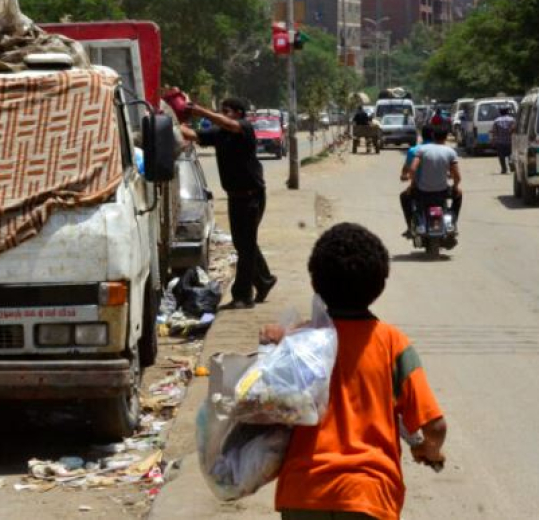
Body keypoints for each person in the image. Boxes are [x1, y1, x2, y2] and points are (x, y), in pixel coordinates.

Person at [260, 223, 447, 520]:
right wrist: (430, 451)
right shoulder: (393, 345)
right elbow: (434, 427)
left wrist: (278, 339)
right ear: (379, 284)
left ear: (316, 283)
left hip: (303, 494)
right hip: (369, 495)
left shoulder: (298, 341)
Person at [180, 98, 277, 309]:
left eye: (227, 111)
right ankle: (264, 280)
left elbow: (229, 125)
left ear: (238, 113)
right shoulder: (220, 134)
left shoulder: (244, 128)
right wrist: (170, 119)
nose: (223, 114)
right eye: (221, 110)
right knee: (243, 243)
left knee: (246, 245)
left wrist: (201, 112)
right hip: (235, 197)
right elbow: (192, 135)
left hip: (252, 196)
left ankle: (243, 296)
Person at [407, 127, 462, 231]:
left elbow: (412, 169)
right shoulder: (450, 152)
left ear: (433, 136)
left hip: (423, 192)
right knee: (459, 195)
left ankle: (411, 225)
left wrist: (413, 184)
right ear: (446, 137)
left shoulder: (422, 150)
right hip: (442, 192)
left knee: (406, 198)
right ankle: (453, 223)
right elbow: (457, 176)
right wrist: (455, 187)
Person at [399, 124, 433, 236]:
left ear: (421, 136)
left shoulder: (414, 150)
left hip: (420, 189)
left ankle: (410, 227)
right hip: (442, 189)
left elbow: (408, 169)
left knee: (404, 197)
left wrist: (406, 178)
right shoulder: (444, 150)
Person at [490, 107, 515, 174]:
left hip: (500, 142)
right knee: (511, 154)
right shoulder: (512, 120)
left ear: (500, 112)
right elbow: (514, 129)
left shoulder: (496, 121)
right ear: (507, 112)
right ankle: (511, 164)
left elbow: (494, 132)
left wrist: (493, 140)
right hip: (510, 141)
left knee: (501, 156)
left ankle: (504, 169)